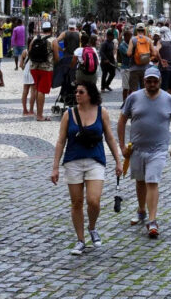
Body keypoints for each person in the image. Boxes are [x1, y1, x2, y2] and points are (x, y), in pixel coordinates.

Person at [51, 81, 122, 255]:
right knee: (76, 202)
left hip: (95, 160)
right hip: (73, 161)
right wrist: (55, 167)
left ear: (90, 94)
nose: (77, 95)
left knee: (93, 201)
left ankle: (92, 227)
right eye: (76, 92)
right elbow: (61, 141)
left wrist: (118, 161)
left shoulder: (101, 112)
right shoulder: (69, 114)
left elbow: (110, 138)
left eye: (81, 92)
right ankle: (80, 240)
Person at [117, 67, 171, 239]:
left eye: (155, 81)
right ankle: (141, 210)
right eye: (149, 81)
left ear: (160, 81)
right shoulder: (133, 98)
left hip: (158, 150)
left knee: (152, 181)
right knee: (140, 181)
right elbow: (122, 120)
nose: (152, 84)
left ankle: (152, 221)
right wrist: (122, 145)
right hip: (137, 148)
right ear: (144, 81)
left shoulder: (169, 99)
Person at [29, 21, 60, 121]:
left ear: (42, 29)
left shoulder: (35, 38)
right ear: (51, 29)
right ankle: (39, 115)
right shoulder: (53, 40)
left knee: (38, 89)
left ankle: (39, 113)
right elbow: (56, 57)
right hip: (46, 69)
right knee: (41, 91)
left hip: (34, 68)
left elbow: (30, 52)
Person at [126, 24, 159, 93]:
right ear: (144, 30)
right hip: (145, 69)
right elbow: (154, 54)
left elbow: (128, 53)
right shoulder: (149, 40)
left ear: (136, 30)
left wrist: (135, 54)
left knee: (133, 90)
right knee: (144, 90)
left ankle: (134, 103)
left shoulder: (133, 39)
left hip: (134, 68)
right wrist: (148, 58)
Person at [157, 27, 171, 94]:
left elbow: (156, 51)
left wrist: (160, 60)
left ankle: (164, 103)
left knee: (163, 90)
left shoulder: (161, 42)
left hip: (164, 68)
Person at [117, 28, 133, 106]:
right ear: (126, 36)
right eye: (130, 36)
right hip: (125, 68)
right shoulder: (122, 45)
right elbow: (128, 54)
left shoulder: (130, 44)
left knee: (131, 88)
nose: (131, 37)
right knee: (126, 87)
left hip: (131, 67)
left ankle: (128, 103)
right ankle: (124, 102)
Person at [20, 45, 36, 115]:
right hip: (33, 71)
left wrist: (24, 68)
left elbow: (20, 65)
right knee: (33, 92)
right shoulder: (36, 51)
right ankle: (31, 110)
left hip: (26, 73)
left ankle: (24, 110)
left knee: (25, 91)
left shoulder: (25, 52)